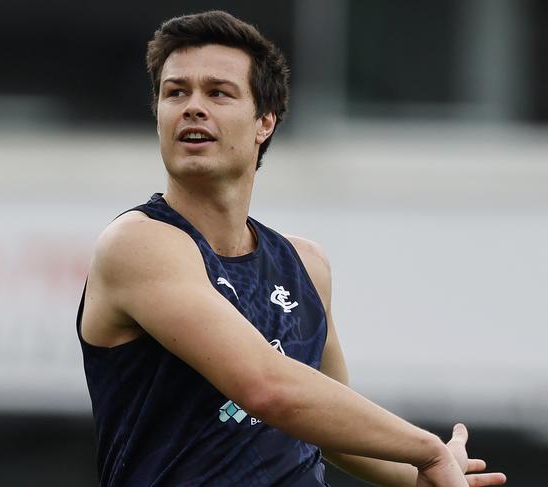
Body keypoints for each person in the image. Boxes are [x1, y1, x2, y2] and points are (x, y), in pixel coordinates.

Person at [77, 10, 507, 487]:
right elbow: (267, 388)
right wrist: (426, 449)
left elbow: (329, 426)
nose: (192, 107)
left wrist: (422, 475)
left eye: (218, 93)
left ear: (265, 121)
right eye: (176, 92)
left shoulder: (305, 265)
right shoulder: (139, 243)